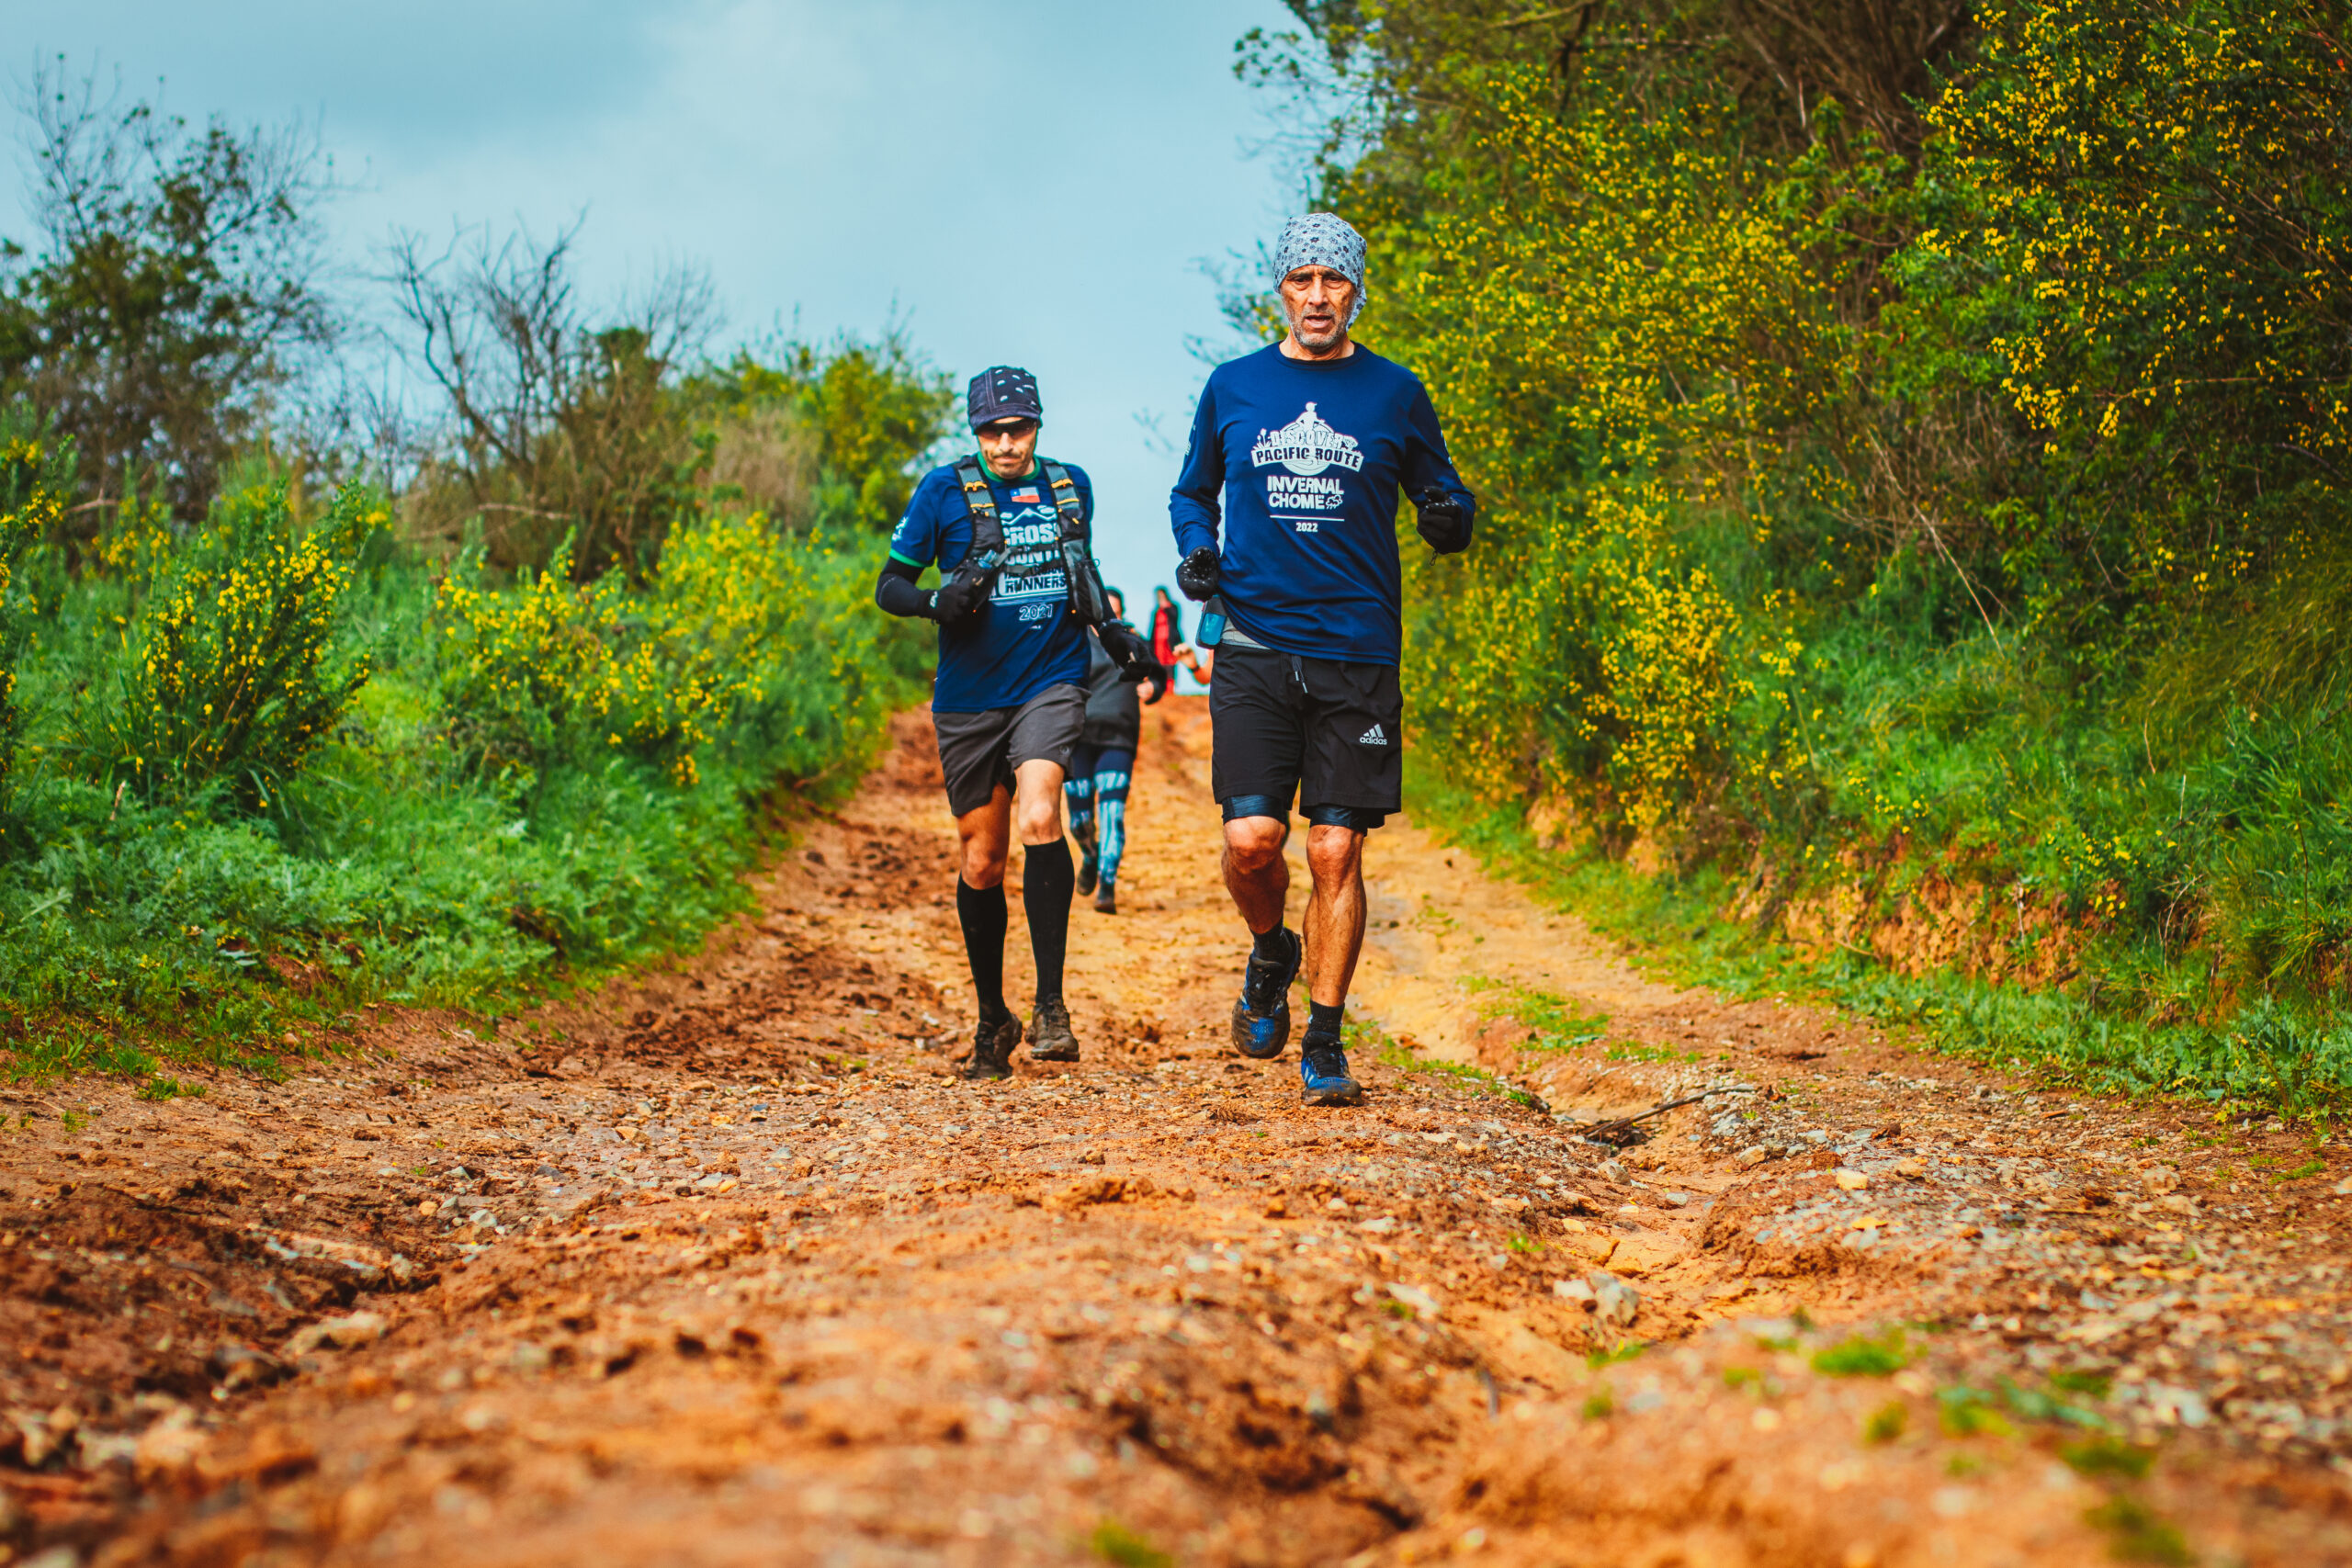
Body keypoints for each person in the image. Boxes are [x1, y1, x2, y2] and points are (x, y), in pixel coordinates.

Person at [1167, 213, 1476, 1107]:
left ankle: (1326, 1041)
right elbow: (1193, 490)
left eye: (1332, 281)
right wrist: (1198, 548)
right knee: (1253, 841)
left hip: (1357, 653)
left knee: (1337, 850)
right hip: (1256, 645)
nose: (1316, 297)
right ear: (1279, 289)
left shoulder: (1394, 391)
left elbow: (1437, 488)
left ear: (1356, 290)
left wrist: (1450, 515)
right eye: (1301, 279)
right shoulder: (1234, 387)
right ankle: (1271, 949)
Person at [876, 367, 1157, 1080]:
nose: (1006, 444)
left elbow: (1080, 571)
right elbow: (890, 585)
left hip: (1050, 682)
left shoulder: (1070, 486)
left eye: (1019, 428)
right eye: (993, 430)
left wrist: (1117, 635)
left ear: (1037, 425)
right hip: (970, 699)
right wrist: (936, 602)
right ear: (975, 430)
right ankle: (992, 1015)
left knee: (1041, 818)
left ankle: (1051, 1006)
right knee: (980, 861)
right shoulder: (944, 490)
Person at [1066, 588, 1168, 916]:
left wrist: (1152, 688)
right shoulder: (1073, 640)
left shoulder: (1133, 641)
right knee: (1079, 820)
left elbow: (1158, 674)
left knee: (1112, 814)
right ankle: (1090, 856)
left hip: (1118, 738)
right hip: (1078, 738)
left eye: (1115, 612)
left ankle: (1106, 886)